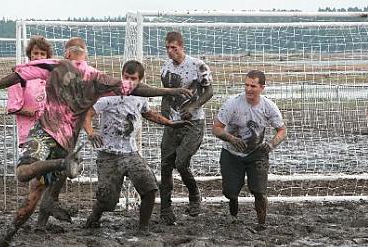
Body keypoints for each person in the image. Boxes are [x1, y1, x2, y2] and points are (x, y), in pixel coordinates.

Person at [0, 37, 194, 247]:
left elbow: (18, 75)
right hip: (66, 144)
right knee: (36, 191)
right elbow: (136, 88)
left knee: (24, 174)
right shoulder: (95, 76)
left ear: (67, 54)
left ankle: (20, 220)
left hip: (45, 132)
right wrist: (171, 90)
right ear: (85, 56)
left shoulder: (55, 65)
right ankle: (8, 233)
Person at [83, 60, 190, 235]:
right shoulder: (109, 95)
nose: (129, 82)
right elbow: (87, 113)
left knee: (149, 189)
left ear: (140, 80)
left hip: (131, 153)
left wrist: (170, 123)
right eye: (126, 77)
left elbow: (148, 113)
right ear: (121, 75)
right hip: (108, 154)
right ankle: (94, 217)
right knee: (108, 200)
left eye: (133, 79)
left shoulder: (141, 96)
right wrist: (90, 132)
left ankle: (143, 228)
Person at [211, 70, 287, 229]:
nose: (248, 89)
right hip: (231, 153)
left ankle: (261, 223)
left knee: (259, 191)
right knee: (230, 191)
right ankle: (233, 211)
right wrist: (231, 138)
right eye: (246, 85)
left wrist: (272, 144)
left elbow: (282, 130)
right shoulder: (232, 104)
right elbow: (216, 128)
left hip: (257, 153)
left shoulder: (268, 106)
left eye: (253, 86)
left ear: (262, 88)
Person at [6, 36, 65, 229]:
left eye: (42, 54)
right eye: (35, 54)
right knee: (37, 181)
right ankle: (18, 224)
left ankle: (40, 221)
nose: (38, 57)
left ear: (47, 56)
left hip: (52, 132)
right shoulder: (20, 78)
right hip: (30, 133)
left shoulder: (52, 77)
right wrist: (35, 112)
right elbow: (13, 106)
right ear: (29, 56)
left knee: (50, 178)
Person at [159, 31, 213, 225]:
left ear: (182, 46)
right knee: (165, 165)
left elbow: (210, 91)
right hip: (173, 123)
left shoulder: (198, 66)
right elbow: (166, 94)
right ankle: (165, 207)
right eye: (167, 48)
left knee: (181, 162)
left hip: (194, 123)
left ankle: (194, 196)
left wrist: (193, 106)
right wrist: (164, 116)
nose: (170, 51)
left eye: (173, 48)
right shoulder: (165, 69)